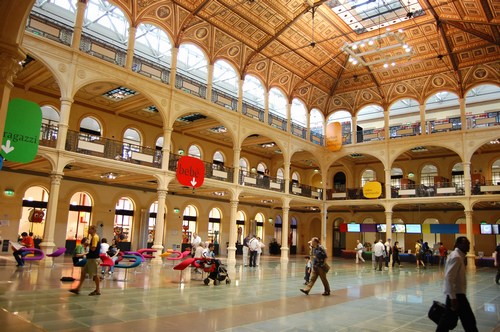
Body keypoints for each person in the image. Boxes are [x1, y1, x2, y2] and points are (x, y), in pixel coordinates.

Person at [436, 236, 478, 332]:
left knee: (447, 321)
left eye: (468, 244)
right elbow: (449, 277)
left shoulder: (457, 256)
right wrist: (453, 298)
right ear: (459, 244)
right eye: (466, 244)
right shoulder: (456, 257)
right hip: (457, 295)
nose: (468, 246)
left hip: (456, 294)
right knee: (469, 321)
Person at [70, 225, 101, 296]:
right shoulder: (93, 237)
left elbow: (93, 248)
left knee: (95, 275)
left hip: (93, 259)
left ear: (93, 230)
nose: (88, 230)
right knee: (83, 273)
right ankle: (77, 288)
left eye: (90, 229)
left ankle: (97, 290)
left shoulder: (95, 237)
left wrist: (88, 244)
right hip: (90, 258)